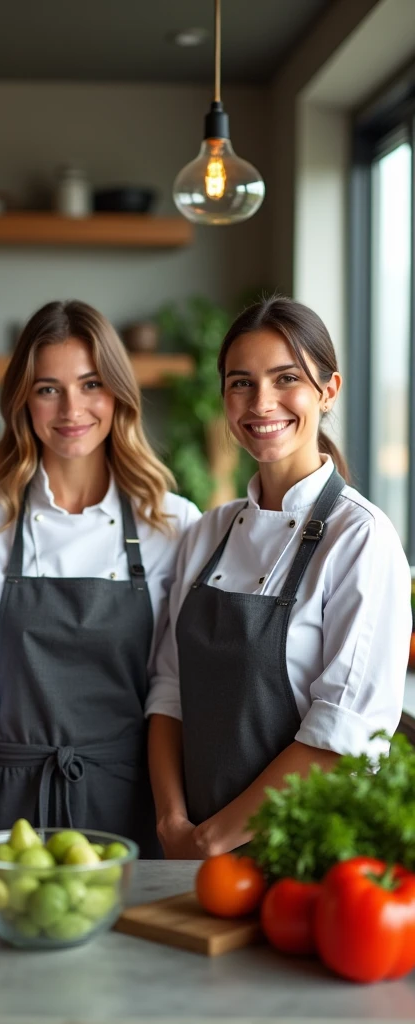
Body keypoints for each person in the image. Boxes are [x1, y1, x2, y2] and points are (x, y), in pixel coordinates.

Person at [148, 296, 411, 860]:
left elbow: (345, 735)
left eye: (285, 378)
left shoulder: (361, 538)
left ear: (328, 390)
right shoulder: (207, 532)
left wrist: (211, 838)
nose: (260, 402)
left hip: (303, 855)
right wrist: (172, 824)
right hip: (188, 851)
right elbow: (169, 691)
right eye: (240, 383)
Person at [0, 300, 200, 856]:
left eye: (91, 385)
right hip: (1, 797)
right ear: (22, 400)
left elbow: (172, 685)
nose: (71, 409)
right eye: (48, 389)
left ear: (118, 394)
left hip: (128, 792)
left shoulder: (175, 524)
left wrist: (172, 815)